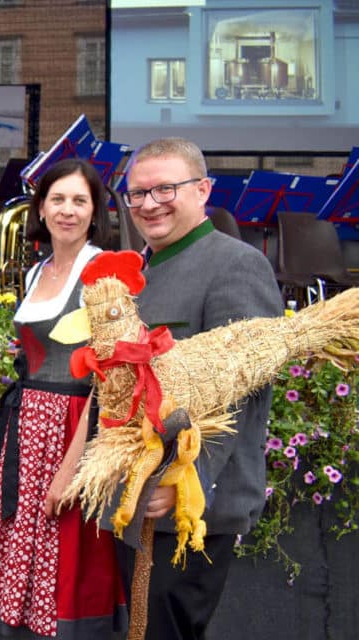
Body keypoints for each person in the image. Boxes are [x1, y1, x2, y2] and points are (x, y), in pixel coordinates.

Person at [117, 137, 280, 639]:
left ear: (203, 189)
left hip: (188, 509)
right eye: (137, 193)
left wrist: (180, 480)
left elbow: (238, 389)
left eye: (164, 188)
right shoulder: (137, 271)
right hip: (138, 502)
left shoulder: (235, 263)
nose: (148, 203)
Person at [0, 159, 126, 637]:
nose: (67, 210)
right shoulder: (39, 270)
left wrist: (72, 466)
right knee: (29, 552)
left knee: (68, 556)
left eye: (80, 201)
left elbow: (110, 380)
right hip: (28, 427)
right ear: (41, 206)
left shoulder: (104, 275)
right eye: (57, 199)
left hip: (73, 426)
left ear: (96, 211)